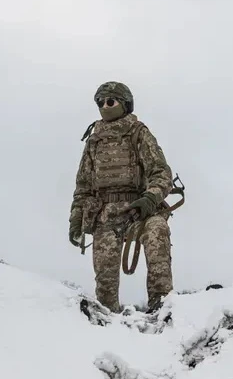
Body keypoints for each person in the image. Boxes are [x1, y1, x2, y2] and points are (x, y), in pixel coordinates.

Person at [68, 81, 175, 313]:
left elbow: (161, 173)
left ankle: (162, 307)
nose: (105, 106)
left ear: (125, 104)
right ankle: (108, 321)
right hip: (105, 216)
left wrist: (150, 199)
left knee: (157, 230)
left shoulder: (138, 133)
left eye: (110, 101)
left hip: (138, 212)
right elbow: (83, 186)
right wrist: (76, 219)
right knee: (104, 290)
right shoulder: (94, 141)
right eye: (100, 102)